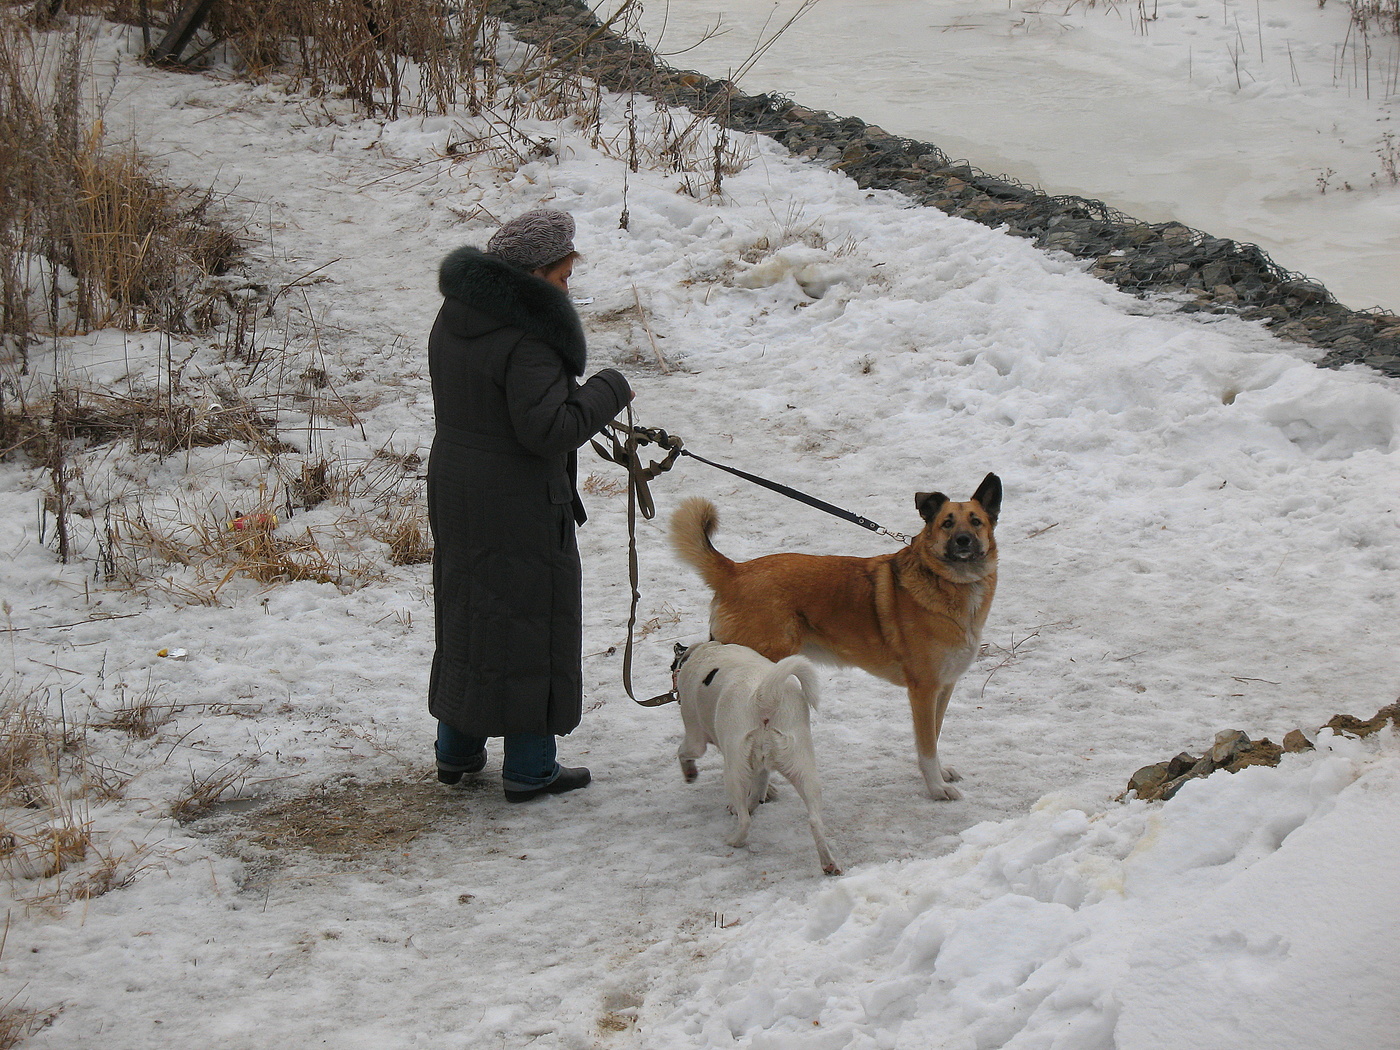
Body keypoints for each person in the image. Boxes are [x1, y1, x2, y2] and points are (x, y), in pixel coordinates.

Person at [426, 207, 632, 802]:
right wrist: (610, 390)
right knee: (530, 621)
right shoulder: (531, 336)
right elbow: (547, 429)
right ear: (536, 274)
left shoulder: (458, 312)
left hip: (458, 483)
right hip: (517, 495)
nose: (569, 290)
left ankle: (457, 750)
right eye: (564, 278)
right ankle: (531, 767)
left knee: (469, 611)